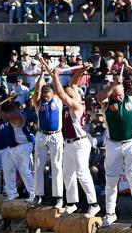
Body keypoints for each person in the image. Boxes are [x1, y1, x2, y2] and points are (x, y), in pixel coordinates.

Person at [42, 58, 100, 217]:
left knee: (82, 173)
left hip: (80, 143)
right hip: (69, 143)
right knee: (68, 174)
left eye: (70, 91)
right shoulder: (71, 100)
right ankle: (73, 203)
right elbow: (72, 84)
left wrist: (55, 76)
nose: (68, 90)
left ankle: (93, 204)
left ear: (75, 95)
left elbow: (60, 92)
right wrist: (82, 70)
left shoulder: (77, 105)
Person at [97, 60, 132, 228]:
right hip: (113, 145)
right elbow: (100, 97)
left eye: (120, 95)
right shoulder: (107, 103)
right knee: (111, 180)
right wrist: (113, 85)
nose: (118, 98)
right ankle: (110, 213)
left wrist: (128, 68)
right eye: (115, 96)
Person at [30, 67, 64, 208]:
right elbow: (36, 91)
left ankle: (58, 197)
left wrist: (53, 74)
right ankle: (38, 195)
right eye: (44, 96)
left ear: (52, 94)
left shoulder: (57, 100)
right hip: (42, 135)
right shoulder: (38, 102)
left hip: (56, 135)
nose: (45, 98)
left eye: (47, 96)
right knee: (38, 166)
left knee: (56, 166)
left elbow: (58, 88)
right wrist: (41, 74)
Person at [0, 100, 36, 203]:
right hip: (12, 147)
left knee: (24, 170)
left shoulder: (18, 115)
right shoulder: (11, 113)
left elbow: (2, 115)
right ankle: (12, 193)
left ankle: (34, 194)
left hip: (23, 146)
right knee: (7, 168)